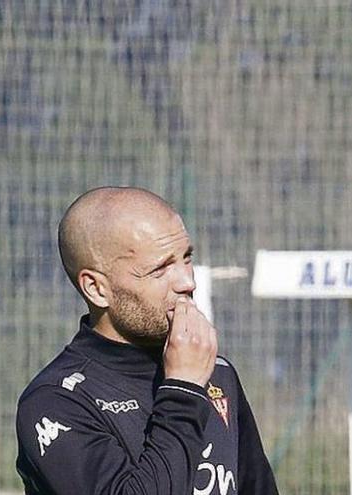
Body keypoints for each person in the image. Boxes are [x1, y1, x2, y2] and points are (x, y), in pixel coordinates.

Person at [15, 187, 278, 495]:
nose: (187, 281)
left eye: (186, 258)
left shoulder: (217, 372)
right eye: (160, 269)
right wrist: (183, 389)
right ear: (97, 289)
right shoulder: (56, 402)